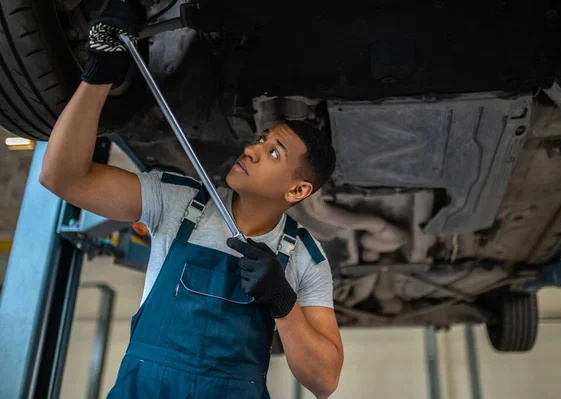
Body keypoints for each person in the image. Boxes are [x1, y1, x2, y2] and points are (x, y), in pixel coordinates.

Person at [39, 1, 343, 398]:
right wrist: (101, 73)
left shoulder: (303, 255)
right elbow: (61, 177)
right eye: (260, 139)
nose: (252, 149)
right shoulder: (179, 201)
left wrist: (284, 302)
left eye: (273, 153)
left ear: (298, 190)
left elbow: (324, 381)